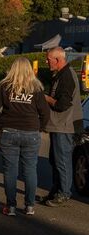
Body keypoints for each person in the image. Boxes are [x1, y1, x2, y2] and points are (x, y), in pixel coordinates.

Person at [0, 57, 50, 216]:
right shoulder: (36, 88)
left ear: (13, 69)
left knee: (10, 170)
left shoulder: (4, 87)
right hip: (31, 132)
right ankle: (29, 206)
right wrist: (41, 127)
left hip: (9, 131)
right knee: (30, 170)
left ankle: (11, 207)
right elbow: (45, 112)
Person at [43, 47, 83, 207]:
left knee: (62, 160)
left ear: (57, 60)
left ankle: (64, 193)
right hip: (58, 126)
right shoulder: (61, 74)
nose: (47, 62)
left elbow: (62, 104)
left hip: (64, 126)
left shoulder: (66, 76)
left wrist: (47, 98)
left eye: (48, 59)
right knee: (55, 160)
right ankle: (56, 190)